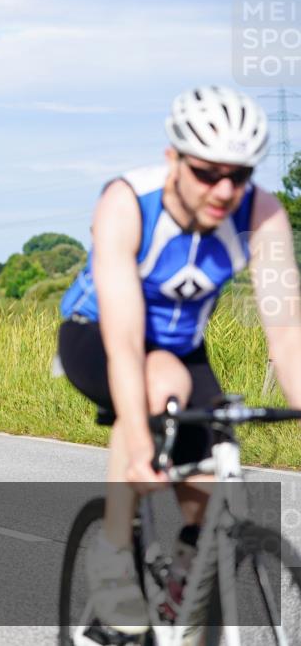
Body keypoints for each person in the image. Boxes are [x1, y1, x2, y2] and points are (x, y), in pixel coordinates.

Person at [58, 85, 301, 635]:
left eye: (238, 175)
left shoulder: (262, 215)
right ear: (174, 159)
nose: (223, 189)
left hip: (182, 348)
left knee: (212, 470)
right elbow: (125, 341)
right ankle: (113, 555)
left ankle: (182, 591)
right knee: (158, 381)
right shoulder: (126, 201)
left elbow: (288, 337)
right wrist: (139, 442)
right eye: (207, 172)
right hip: (95, 335)